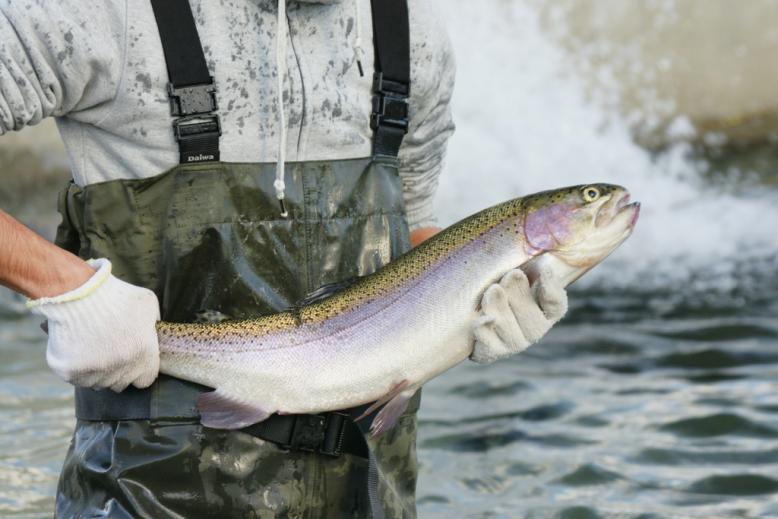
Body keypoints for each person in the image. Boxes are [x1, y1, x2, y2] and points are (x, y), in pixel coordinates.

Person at [0, 0, 568, 516]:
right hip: (145, 496)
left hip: (373, 497)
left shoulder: (411, 33)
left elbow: (414, 229)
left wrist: (474, 308)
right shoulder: (96, 14)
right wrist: (68, 287)